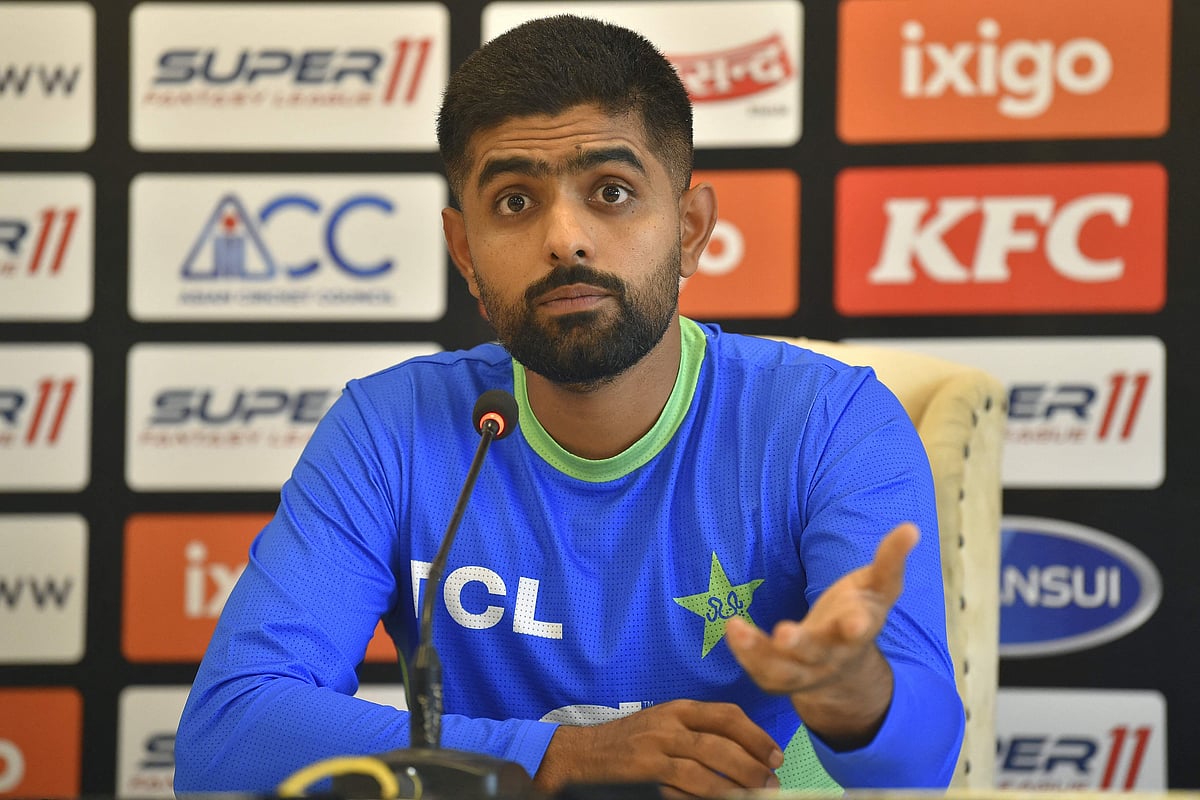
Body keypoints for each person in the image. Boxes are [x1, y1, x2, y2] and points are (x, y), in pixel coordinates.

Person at [174, 14, 964, 797]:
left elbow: (921, 765)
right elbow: (229, 736)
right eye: (515, 202)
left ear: (690, 230)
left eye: (611, 192)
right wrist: (557, 755)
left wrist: (852, 693)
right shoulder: (389, 431)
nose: (566, 238)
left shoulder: (829, 421)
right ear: (465, 252)